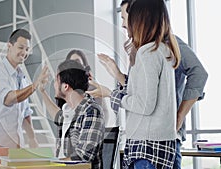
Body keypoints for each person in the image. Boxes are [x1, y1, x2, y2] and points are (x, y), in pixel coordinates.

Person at [89, 0, 208, 168]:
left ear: (140, 17)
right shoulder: (158, 49)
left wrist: (180, 114)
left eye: (125, 17)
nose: (123, 24)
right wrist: (117, 74)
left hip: (150, 143)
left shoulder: (154, 50)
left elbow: (144, 103)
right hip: (156, 141)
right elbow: (143, 92)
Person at [0, 29, 49, 159]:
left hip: (15, 145)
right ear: (9, 46)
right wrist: (35, 85)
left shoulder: (21, 78)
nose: (24, 52)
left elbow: (25, 113)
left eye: (27, 49)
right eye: (21, 47)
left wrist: (32, 138)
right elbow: (8, 99)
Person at [52, 60, 105, 169]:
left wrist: (52, 164)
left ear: (65, 86)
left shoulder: (91, 111)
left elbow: (83, 156)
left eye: (56, 81)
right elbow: (61, 153)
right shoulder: (65, 113)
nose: (54, 84)